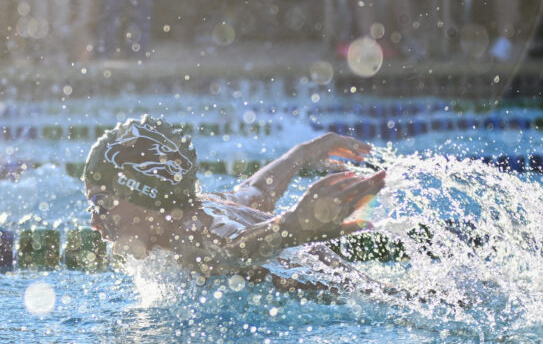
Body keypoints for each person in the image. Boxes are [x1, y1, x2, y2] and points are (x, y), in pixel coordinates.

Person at [82, 116, 388, 293]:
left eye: (101, 203)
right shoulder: (207, 206)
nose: (95, 222)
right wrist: (303, 153)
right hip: (353, 288)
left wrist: (294, 226)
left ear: (145, 194)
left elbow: (236, 248)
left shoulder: (191, 232)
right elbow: (256, 190)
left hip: (344, 302)